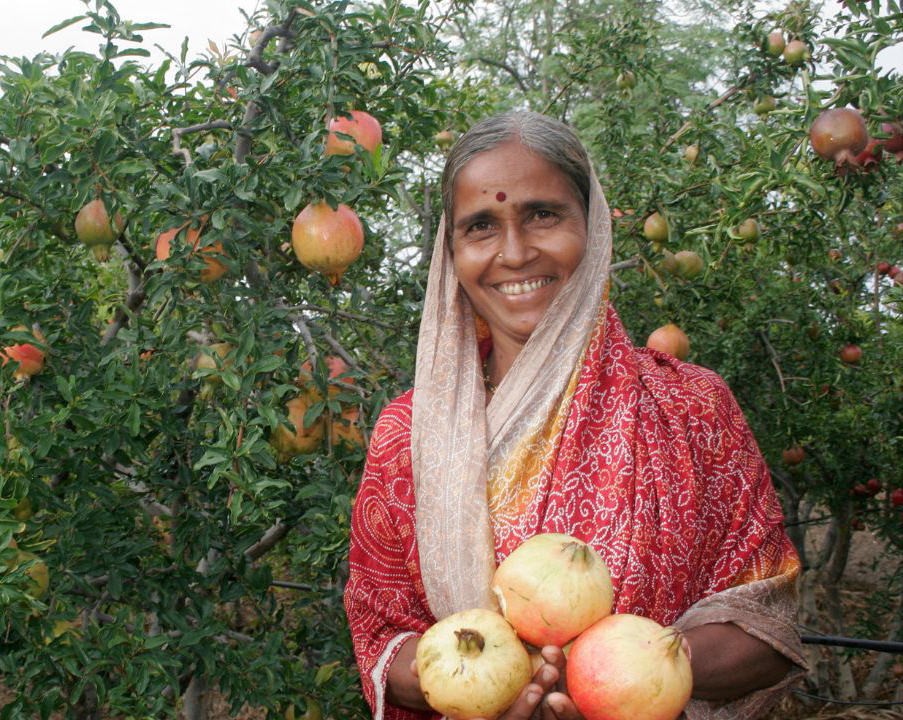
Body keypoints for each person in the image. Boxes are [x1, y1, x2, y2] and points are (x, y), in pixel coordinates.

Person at [344, 111, 806, 720]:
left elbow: (765, 620)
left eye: (542, 214)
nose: (514, 252)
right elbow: (380, 633)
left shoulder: (690, 407)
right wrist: (473, 686)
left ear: (593, 228)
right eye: (480, 226)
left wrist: (640, 671)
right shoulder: (409, 435)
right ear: (449, 254)